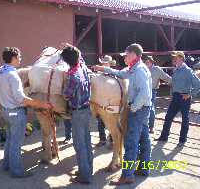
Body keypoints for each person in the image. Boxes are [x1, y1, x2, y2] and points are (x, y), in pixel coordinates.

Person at [93, 43, 152, 185]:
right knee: (144, 139)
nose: (124, 58)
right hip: (143, 109)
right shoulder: (134, 68)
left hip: (138, 109)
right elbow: (120, 73)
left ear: (133, 55)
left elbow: (145, 93)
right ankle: (143, 169)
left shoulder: (139, 71)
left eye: (126, 55)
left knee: (131, 142)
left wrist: (133, 108)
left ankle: (127, 175)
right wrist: (104, 68)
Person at [0, 47, 51, 178]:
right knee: (16, 143)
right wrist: (42, 104)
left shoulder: (1, 70)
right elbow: (21, 99)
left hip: (6, 111)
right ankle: (17, 171)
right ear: (14, 58)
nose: (21, 59)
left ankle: (6, 164)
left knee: (10, 139)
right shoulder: (13, 75)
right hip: (16, 113)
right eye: (19, 57)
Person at [61, 46, 93, 184]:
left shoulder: (72, 76)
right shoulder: (83, 68)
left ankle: (84, 176)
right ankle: (87, 170)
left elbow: (67, 95)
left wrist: (63, 90)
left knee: (79, 144)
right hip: (87, 109)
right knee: (87, 141)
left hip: (78, 112)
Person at [155, 51, 200, 147]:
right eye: (173, 57)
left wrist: (189, 94)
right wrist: (172, 93)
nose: (173, 59)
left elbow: (198, 84)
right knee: (168, 117)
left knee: (184, 119)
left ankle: (182, 140)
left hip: (184, 98)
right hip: (176, 97)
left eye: (175, 57)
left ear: (181, 58)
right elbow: (173, 84)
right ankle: (164, 137)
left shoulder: (188, 71)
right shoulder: (176, 70)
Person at [144, 56, 172, 134]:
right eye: (145, 62)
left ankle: (150, 127)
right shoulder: (144, 69)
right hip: (144, 91)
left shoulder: (156, 69)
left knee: (150, 107)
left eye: (147, 62)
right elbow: (167, 78)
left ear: (151, 62)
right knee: (148, 107)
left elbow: (167, 78)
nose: (146, 64)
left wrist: (174, 83)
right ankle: (148, 127)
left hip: (151, 91)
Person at [96, 55, 117, 146]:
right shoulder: (98, 75)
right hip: (101, 102)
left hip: (112, 102)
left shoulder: (114, 75)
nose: (104, 64)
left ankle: (112, 140)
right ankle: (102, 139)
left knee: (112, 122)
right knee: (101, 122)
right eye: (103, 63)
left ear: (110, 64)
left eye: (106, 63)